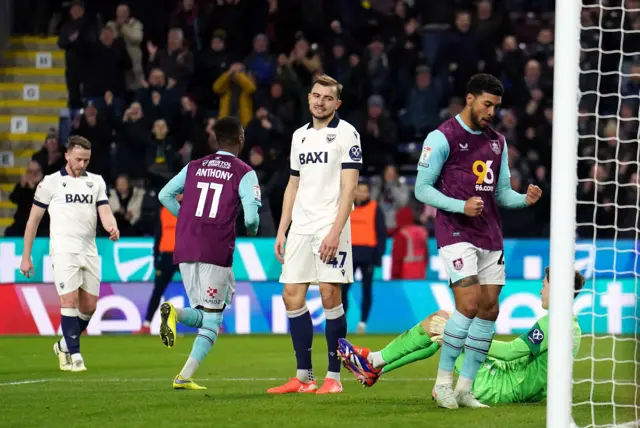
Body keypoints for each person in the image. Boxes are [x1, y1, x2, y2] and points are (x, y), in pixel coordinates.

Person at [413, 73, 543, 409]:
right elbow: (421, 188)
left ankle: (465, 389)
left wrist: (523, 199)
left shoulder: (497, 141)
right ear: (470, 99)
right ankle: (443, 384)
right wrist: (461, 206)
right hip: (455, 232)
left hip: (490, 234)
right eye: (487, 104)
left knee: (489, 309)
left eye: (496, 106)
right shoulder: (442, 137)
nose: (492, 112)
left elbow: (501, 194)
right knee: (468, 305)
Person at [337, 268, 585, 405]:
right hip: (514, 385)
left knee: (443, 323)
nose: (541, 288)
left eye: (545, 283)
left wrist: (463, 337)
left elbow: (511, 352)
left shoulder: (554, 323)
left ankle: (375, 362)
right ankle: (374, 366)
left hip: (500, 386)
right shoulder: (571, 326)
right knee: (445, 330)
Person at [267, 74, 362, 395]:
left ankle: (334, 377)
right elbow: (293, 184)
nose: (320, 101)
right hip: (300, 227)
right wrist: (282, 229)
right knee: (291, 295)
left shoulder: (347, 133)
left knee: (328, 294)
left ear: (337, 103)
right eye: (316, 95)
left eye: (327, 97)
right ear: (309, 98)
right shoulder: (299, 137)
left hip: (329, 225)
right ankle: (304, 377)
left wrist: (336, 230)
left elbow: (350, 187)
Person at [157, 116, 261, 390]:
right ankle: (175, 316)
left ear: (215, 139)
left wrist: (188, 220)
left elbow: (164, 195)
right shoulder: (243, 171)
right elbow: (251, 217)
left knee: (206, 315)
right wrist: (252, 230)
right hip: (215, 248)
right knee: (213, 320)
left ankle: (183, 376)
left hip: (185, 246)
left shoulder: (193, 166)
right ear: (241, 140)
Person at [19, 136, 120, 372]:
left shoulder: (96, 182)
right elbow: (33, 222)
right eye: (78, 159)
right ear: (67, 155)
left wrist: (111, 226)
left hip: (89, 251)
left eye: (86, 160)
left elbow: (104, 211)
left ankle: (64, 345)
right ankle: (75, 356)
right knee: (69, 301)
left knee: (89, 307)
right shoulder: (50, 183)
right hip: (64, 252)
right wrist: (26, 256)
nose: (82, 164)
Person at [343, 179, 386, 334]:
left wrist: (378, 256)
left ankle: (362, 323)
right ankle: (343, 322)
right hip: (349, 253)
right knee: (343, 290)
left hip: (368, 254)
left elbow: (381, 233)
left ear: (368, 193)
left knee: (366, 290)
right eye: (359, 190)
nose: (361, 193)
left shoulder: (375, 208)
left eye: (364, 191)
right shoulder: (346, 206)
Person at [135, 196, 181, 335]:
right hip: (166, 256)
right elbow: (158, 234)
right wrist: (155, 257)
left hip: (184, 255)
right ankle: (146, 325)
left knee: (195, 292)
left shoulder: (190, 210)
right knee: (157, 291)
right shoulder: (163, 211)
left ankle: (210, 324)